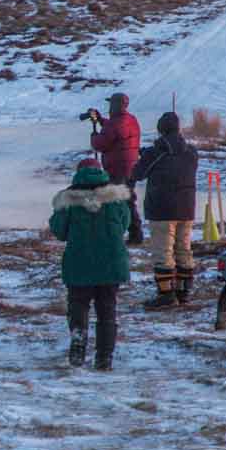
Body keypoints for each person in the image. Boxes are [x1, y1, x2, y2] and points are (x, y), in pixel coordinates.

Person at [49, 159, 131, 371]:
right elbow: (124, 225)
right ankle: (104, 358)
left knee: (78, 306)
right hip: (111, 263)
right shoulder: (116, 199)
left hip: (79, 262)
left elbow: (59, 231)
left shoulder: (68, 200)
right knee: (107, 310)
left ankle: (78, 344)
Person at [131, 111, 200, 309]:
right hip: (186, 207)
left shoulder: (156, 152)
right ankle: (183, 292)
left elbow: (138, 173)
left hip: (161, 208)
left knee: (163, 252)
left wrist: (144, 155)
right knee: (183, 249)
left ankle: (166, 295)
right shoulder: (191, 153)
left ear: (161, 130)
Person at [88, 92, 144, 245]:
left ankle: (118, 233)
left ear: (115, 105)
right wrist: (100, 120)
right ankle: (135, 233)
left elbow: (100, 143)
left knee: (115, 201)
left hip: (117, 168)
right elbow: (115, 130)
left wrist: (94, 136)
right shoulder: (130, 120)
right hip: (131, 166)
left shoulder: (115, 123)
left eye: (111, 104)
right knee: (128, 200)